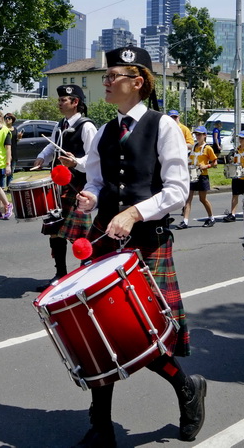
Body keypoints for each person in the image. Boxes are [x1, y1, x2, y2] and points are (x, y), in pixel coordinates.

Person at [75, 46, 206, 446]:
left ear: (138, 81)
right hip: (104, 243)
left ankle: (187, 388)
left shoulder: (163, 126)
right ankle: (101, 422)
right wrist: (91, 197)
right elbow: (96, 181)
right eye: (105, 76)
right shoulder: (103, 130)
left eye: (113, 75)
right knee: (99, 335)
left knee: (143, 336)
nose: (106, 82)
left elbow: (177, 190)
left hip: (146, 243)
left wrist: (133, 213)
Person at [33, 85, 96, 291]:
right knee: (54, 230)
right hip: (59, 186)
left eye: (63, 100)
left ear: (75, 102)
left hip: (78, 185)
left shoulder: (86, 127)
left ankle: (85, 275)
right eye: (59, 100)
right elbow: (52, 145)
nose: (59, 103)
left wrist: (75, 162)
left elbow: (94, 158)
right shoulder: (61, 124)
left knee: (80, 235)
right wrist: (43, 156)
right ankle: (60, 274)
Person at [178, 125, 218, 229]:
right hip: (192, 175)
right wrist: (188, 164)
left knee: (202, 199)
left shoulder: (208, 148)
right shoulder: (194, 146)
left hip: (202, 176)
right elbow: (191, 159)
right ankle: (185, 221)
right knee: (188, 199)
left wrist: (206, 166)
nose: (197, 136)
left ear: (205, 135)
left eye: (199, 134)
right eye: (196, 134)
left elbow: (215, 162)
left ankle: (211, 218)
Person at [223, 130, 244, 222]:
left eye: (242, 138)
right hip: (238, 176)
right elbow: (234, 161)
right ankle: (232, 214)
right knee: (235, 195)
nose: (240, 140)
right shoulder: (237, 149)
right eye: (239, 138)